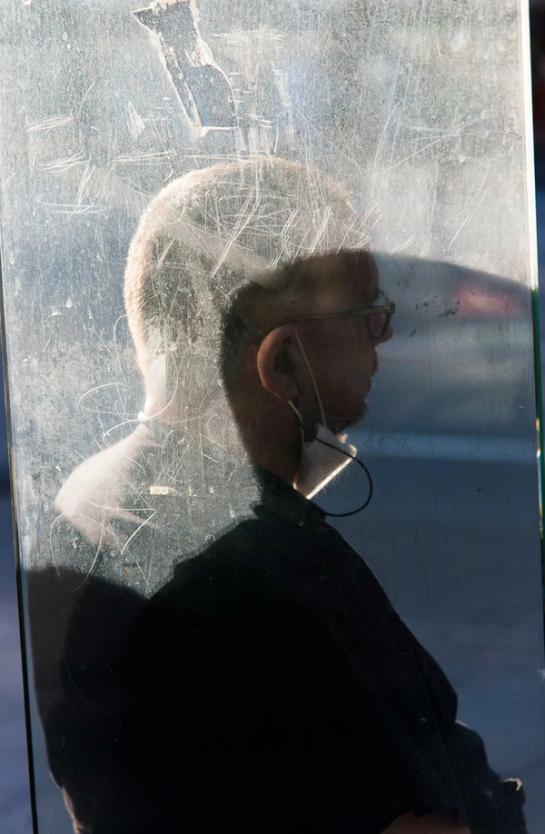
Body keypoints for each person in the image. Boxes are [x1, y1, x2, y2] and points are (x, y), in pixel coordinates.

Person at [31, 158, 526, 833]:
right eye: (367, 319)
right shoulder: (250, 572)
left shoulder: (89, 499)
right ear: (282, 361)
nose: (380, 348)